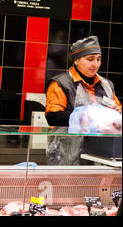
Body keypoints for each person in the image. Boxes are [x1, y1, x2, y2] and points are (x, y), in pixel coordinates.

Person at [45, 36, 122, 165]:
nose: (95, 64)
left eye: (98, 59)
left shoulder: (107, 85)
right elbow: (53, 117)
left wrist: (116, 113)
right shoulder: (61, 83)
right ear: (76, 60)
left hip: (101, 156)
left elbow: (117, 116)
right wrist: (88, 116)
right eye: (90, 59)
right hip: (66, 155)